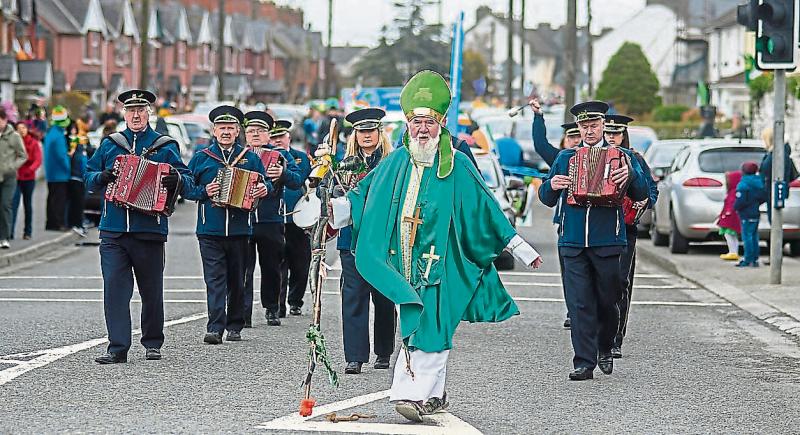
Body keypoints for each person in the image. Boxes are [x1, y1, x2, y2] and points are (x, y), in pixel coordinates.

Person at [328, 71, 542, 421]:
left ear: (441, 123)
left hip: (442, 262)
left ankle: (411, 395)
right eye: (417, 122)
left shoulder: (456, 163)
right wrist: (333, 209)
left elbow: (484, 206)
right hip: (403, 262)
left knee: (432, 324)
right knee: (419, 323)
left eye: (429, 122)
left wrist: (519, 247)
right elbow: (364, 194)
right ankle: (434, 395)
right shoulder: (396, 161)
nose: (423, 130)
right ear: (408, 125)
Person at [538, 101, 649, 381]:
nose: (589, 131)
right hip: (573, 241)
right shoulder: (566, 157)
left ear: (602, 125)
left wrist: (631, 176)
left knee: (608, 300)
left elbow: (641, 193)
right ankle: (584, 362)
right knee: (579, 304)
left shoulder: (623, 156)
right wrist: (550, 185)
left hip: (607, 239)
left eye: (594, 126)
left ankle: (605, 346)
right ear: (578, 127)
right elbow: (547, 198)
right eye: (584, 126)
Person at [85, 89, 192, 364]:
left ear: (148, 113)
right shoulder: (111, 144)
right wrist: (102, 177)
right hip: (114, 230)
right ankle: (117, 348)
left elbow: (188, 181)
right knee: (115, 291)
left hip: (149, 229)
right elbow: (87, 176)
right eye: (131, 110)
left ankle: (153, 342)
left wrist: (176, 181)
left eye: (141, 110)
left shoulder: (164, 145)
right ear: (124, 114)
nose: (136, 115)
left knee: (151, 290)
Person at [316, 108, 397, 375]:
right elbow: (322, 191)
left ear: (379, 133)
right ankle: (355, 356)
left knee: (384, 297)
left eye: (370, 131)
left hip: (382, 240)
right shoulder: (342, 164)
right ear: (355, 135)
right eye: (361, 132)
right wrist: (327, 182)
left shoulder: (392, 162)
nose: (366, 136)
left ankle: (384, 351)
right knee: (353, 297)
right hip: (351, 238)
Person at [184, 105, 270, 344]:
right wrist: (204, 191)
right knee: (214, 280)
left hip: (240, 229)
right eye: (221, 127)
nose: (226, 132)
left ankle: (235, 325)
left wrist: (264, 188)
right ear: (214, 131)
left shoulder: (250, 158)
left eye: (230, 128)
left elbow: (265, 184)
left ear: (237, 131)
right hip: (209, 230)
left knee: (237, 280)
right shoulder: (202, 157)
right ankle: (215, 328)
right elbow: (186, 188)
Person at [604, 114, 658, 359]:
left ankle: (616, 338)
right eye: (608, 133)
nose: (611, 137)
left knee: (620, 282)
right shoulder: (592, 156)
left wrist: (644, 202)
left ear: (623, 135)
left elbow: (652, 190)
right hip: (600, 226)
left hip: (626, 229)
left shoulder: (635, 159)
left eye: (616, 133)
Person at [241, 113, 301, 327]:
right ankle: (244, 313)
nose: (255, 134)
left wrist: (283, 173)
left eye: (260, 131)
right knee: (243, 270)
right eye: (251, 131)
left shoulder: (280, 155)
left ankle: (272, 308)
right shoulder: (239, 155)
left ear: (268, 134)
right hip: (243, 219)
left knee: (272, 268)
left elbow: (297, 181)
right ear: (245, 134)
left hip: (271, 219)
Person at [529, 98, 582, 329]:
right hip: (566, 223)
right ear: (564, 141)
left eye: (578, 136)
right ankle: (573, 311)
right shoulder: (561, 158)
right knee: (570, 272)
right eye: (571, 137)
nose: (575, 141)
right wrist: (538, 116)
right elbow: (540, 144)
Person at [272, 120, 313, 318]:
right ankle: (278, 305)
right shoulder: (264, 157)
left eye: (281, 136)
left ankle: (295, 301)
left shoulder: (301, 158)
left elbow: (309, 183)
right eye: (273, 137)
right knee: (278, 263)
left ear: (289, 137)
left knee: (300, 263)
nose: (277, 140)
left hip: (298, 218)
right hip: (276, 218)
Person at [759, 127, 799, 223]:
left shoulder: (777, 155)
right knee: (773, 220)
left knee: (774, 220)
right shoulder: (778, 153)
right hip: (771, 192)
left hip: (772, 192)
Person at [0, 109, 28, 247]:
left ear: (5, 120)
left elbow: (23, 155)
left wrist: (12, 167)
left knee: (5, 205)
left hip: (9, 177)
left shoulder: (14, 136)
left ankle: (5, 237)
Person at [11, 122, 42, 240]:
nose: (21, 130)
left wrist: (30, 170)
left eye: (23, 128)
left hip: (29, 178)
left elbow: (38, 160)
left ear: (27, 129)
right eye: (19, 128)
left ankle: (27, 232)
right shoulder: (14, 143)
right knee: (13, 204)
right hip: (16, 177)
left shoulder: (33, 143)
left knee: (27, 204)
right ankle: (10, 232)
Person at [734, 161, 767, 268]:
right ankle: (755, 259)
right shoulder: (759, 183)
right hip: (755, 212)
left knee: (747, 236)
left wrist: (736, 207)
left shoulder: (743, 184)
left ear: (743, 171)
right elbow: (763, 197)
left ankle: (748, 259)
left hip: (746, 213)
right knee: (754, 236)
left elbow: (740, 200)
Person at [44, 106, 71, 232]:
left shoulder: (50, 133)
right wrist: (68, 169)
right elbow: (62, 156)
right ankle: (59, 223)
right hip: (60, 174)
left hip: (51, 172)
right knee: (59, 200)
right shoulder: (59, 136)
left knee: (51, 198)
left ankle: (50, 223)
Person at [66, 125, 88, 236]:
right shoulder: (80, 153)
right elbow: (84, 166)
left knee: (72, 203)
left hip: (72, 178)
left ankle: (72, 223)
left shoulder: (72, 152)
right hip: (79, 179)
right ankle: (78, 225)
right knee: (79, 204)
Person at [718, 171, 743, 262]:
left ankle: (732, 251)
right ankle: (734, 252)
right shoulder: (735, 192)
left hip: (729, 218)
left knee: (728, 234)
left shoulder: (732, 193)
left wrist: (726, 213)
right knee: (732, 235)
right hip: (732, 217)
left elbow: (730, 205)